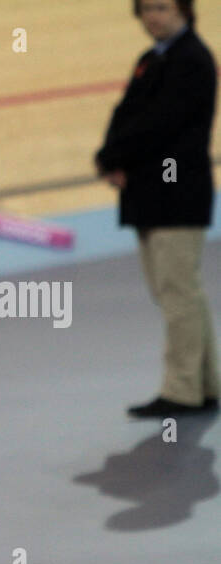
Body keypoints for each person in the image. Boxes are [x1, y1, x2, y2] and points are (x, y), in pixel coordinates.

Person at [96, 0, 220, 417]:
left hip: (176, 194)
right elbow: (126, 112)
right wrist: (110, 158)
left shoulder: (191, 60)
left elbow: (160, 124)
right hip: (152, 195)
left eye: (162, 7)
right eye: (147, 8)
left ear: (184, 10)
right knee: (178, 291)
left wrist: (115, 156)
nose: (153, 16)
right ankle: (205, 382)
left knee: (177, 293)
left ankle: (182, 389)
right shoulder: (151, 59)